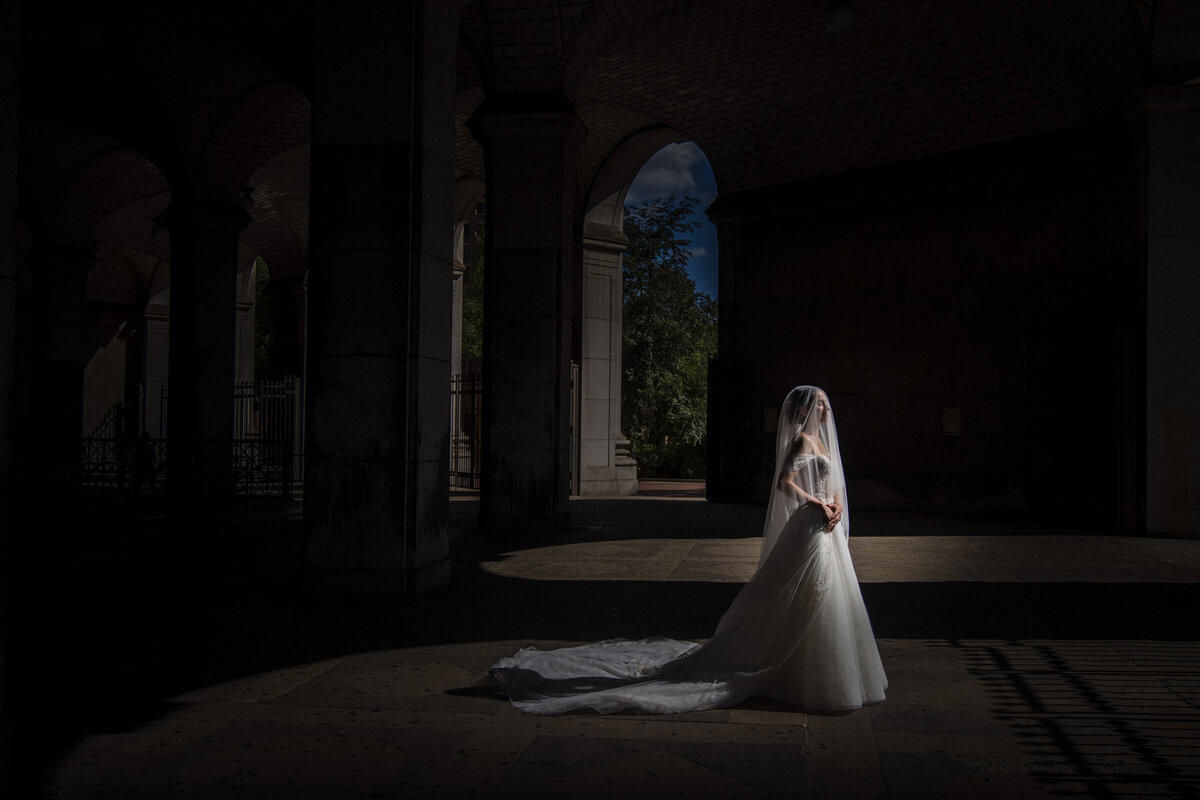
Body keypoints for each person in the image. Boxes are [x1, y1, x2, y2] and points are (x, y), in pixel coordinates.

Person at [492, 385, 887, 714]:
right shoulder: (801, 439)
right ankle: (785, 666)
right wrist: (815, 503)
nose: (825, 408)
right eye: (819, 403)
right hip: (809, 523)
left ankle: (825, 670)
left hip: (828, 527)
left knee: (832, 596)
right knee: (799, 593)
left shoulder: (825, 442)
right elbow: (785, 483)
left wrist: (833, 503)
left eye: (825, 404)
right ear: (805, 408)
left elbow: (836, 485)